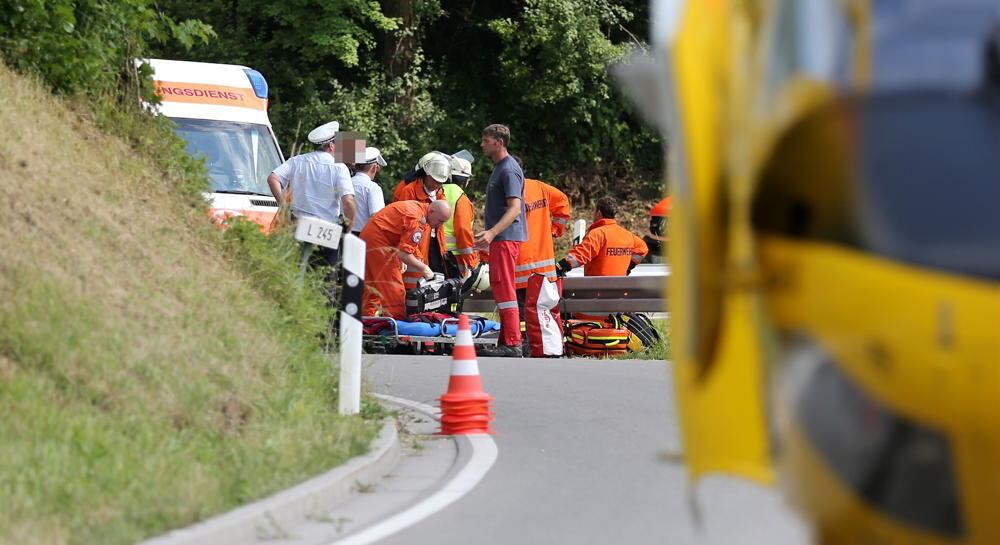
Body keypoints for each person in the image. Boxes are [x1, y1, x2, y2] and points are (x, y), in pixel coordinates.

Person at [266, 121, 356, 304]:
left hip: (297, 224)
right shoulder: (339, 167)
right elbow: (348, 201)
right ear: (331, 146)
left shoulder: (297, 160)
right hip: (327, 229)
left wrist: (284, 207)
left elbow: (273, 178)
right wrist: (349, 225)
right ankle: (321, 317)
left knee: (295, 272)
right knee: (325, 280)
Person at [475, 124, 527, 357]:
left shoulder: (508, 169)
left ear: (500, 142)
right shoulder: (500, 168)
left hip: (505, 239)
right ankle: (507, 340)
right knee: (501, 288)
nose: (482, 144)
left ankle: (513, 343)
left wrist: (492, 232)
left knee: (505, 289)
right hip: (501, 239)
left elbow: (515, 208)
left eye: (486, 140)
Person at [360, 200, 452, 319]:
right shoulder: (416, 218)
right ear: (432, 211)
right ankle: (397, 325)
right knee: (394, 289)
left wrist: (407, 258)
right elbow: (404, 253)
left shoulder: (419, 210)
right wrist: (424, 268)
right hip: (379, 242)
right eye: (440, 221)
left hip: (371, 238)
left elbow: (404, 239)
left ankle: (366, 322)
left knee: (374, 287)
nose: (440, 225)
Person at [392, 152, 453, 290]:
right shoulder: (409, 191)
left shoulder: (439, 193)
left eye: (440, 182)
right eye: (434, 180)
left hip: (434, 244)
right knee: (413, 283)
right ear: (425, 175)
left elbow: (439, 226)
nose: (436, 184)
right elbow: (404, 225)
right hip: (414, 245)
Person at [557, 196, 648, 277]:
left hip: (597, 287)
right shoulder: (628, 235)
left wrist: (560, 266)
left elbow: (580, 255)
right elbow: (642, 249)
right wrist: (628, 266)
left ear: (598, 213)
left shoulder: (597, 234)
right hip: (620, 286)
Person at [441, 153, 480, 279]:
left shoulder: (436, 190)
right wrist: (472, 262)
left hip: (434, 252)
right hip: (455, 257)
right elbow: (463, 230)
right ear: (465, 180)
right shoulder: (460, 198)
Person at [351, 147, 387, 236]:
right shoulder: (372, 187)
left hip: (342, 233)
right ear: (374, 168)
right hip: (363, 235)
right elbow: (377, 217)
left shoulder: (345, 183)